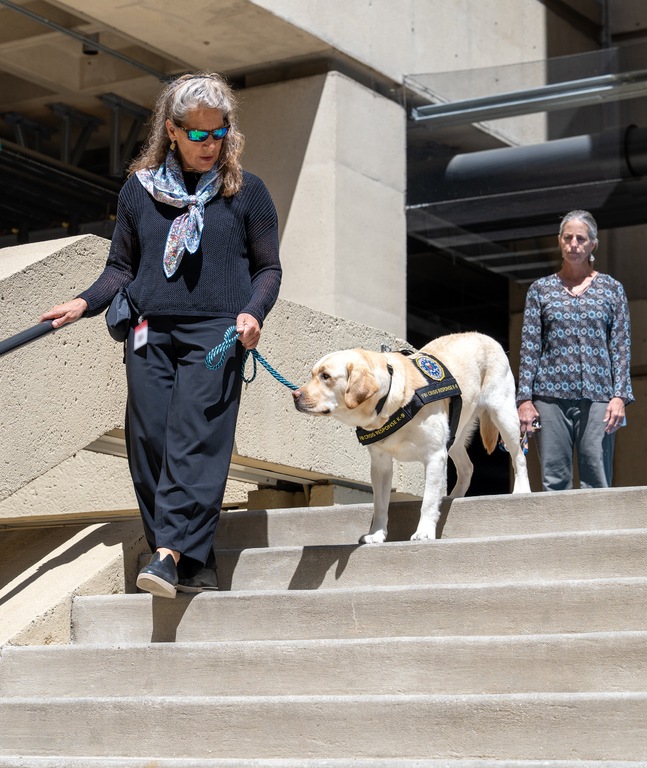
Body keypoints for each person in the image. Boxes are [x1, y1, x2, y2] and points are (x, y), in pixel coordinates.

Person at [40, 72, 282, 597]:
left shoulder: (247, 192)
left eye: (219, 132)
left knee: (196, 438)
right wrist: (82, 303)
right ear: (171, 131)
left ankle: (167, 556)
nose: (209, 144)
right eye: (197, 134)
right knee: (149, 441)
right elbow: (121, 267)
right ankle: (193, 560)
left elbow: (268, 270)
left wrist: (253, 312)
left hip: (217, 333)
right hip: (149, 330)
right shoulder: (139, 191)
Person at [517, 209, 633, 491]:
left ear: (593, 244)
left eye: (580, 239)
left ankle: (598, 535)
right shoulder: (540, 290)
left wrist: (620, 396)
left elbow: (621, 345)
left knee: (596, 474)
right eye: (567, 238)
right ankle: (558, 535)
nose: (573, 244)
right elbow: (529, 347)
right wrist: (524, 400)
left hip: (599, 395)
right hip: (550, 396)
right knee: (554, 478)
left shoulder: (612, 289)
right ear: (559, 241)